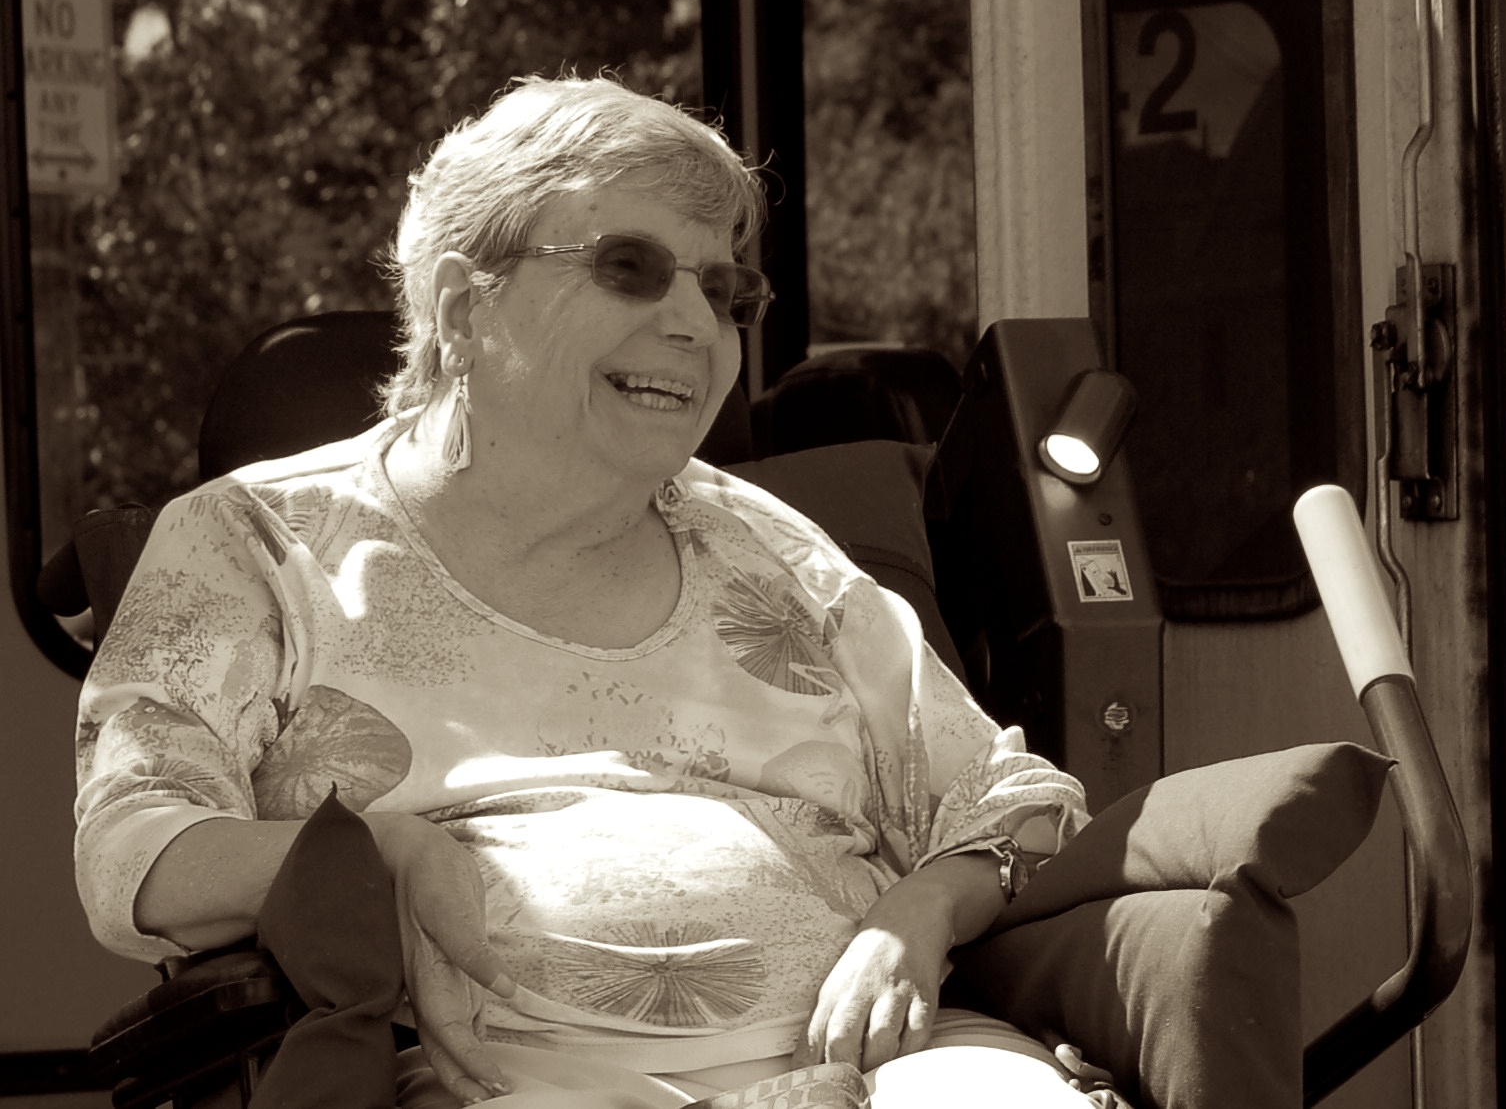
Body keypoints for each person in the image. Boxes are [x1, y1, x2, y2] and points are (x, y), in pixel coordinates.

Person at [73, 76, 1099, 1109]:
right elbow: (133, 853)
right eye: (631, 269)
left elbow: (1006, 808)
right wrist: (382, 848)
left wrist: (913, 915)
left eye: (723, 289)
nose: (696, 323)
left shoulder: (768, 546)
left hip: (882, 1070)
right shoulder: (255, 544)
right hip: (536, 1084)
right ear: (463, 304)